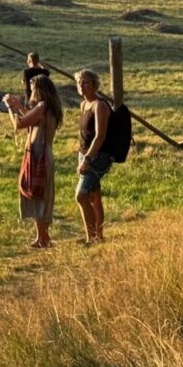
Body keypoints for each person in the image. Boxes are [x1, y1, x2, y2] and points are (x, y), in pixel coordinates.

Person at [7, 73, 63, 248]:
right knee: (39, 194)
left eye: (32, 89)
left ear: (39, 90)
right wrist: (19, 106)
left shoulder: (42, 106)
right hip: (40, 154)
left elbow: (19, 125)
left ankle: (44, 238)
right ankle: (41, 237)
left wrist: (11, 108)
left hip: (39, 155)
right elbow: (33, 120)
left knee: (40, 195)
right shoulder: (46, 107)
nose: (30, 92)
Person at [73, 69, 112, 243]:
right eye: (79, 82)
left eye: (85, 82)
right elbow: (84, 134)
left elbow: (100, 136)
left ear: (94, 85)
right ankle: (99, 237)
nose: (81, 85)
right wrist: (80, 156)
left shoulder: (100, 105)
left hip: (97, 156)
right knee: (94, 195)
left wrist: (87, 159)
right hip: (84, 154)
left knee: (81, 195)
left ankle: (91, 238)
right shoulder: (83, 105)